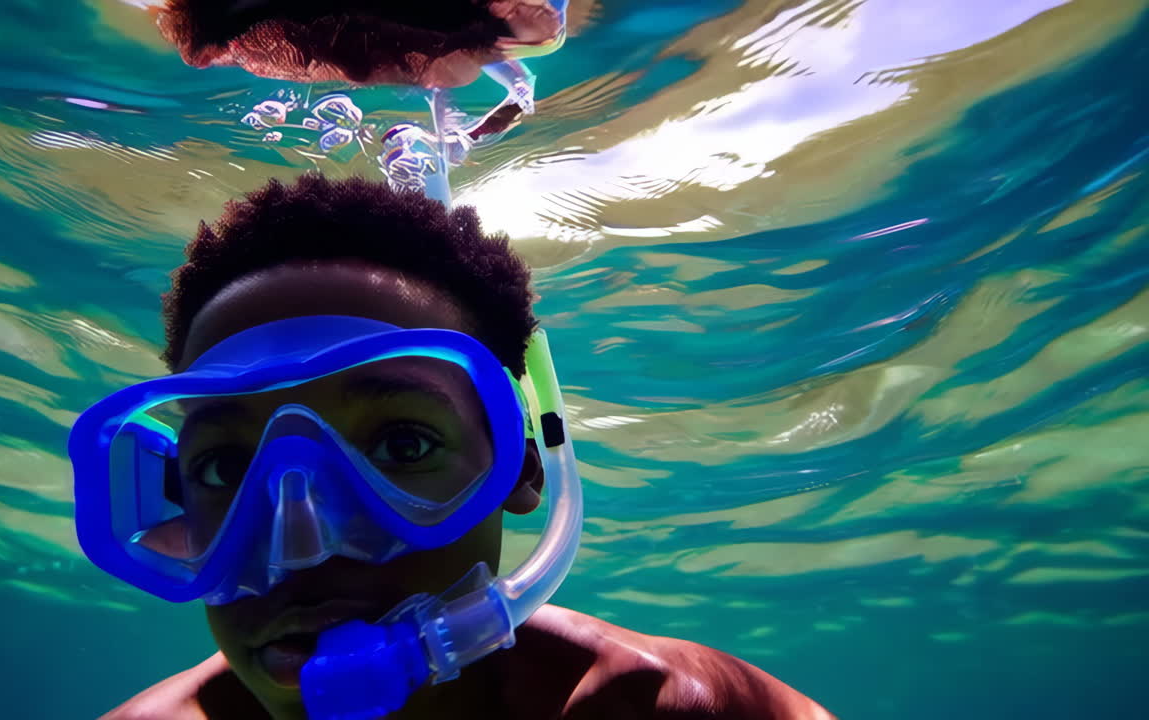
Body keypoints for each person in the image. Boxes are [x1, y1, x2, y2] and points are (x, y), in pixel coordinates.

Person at [71, 174, 834, 720]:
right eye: (228, 468)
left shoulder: (666, 709)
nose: (300, 548)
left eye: (401, 445)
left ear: (523, 464)